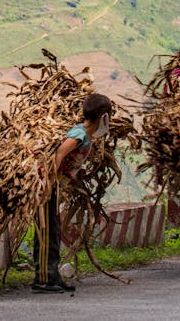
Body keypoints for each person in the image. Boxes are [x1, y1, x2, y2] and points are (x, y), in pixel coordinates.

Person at [32, 92, 112, 293]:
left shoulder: (85, 136)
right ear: (104, 117)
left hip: (54, 188)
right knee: (46, 232)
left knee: (54, 231)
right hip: (45, 189)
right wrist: (49, 183)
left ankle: (52, 276)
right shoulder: (79, 134)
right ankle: (43, 280)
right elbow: (59, 153)